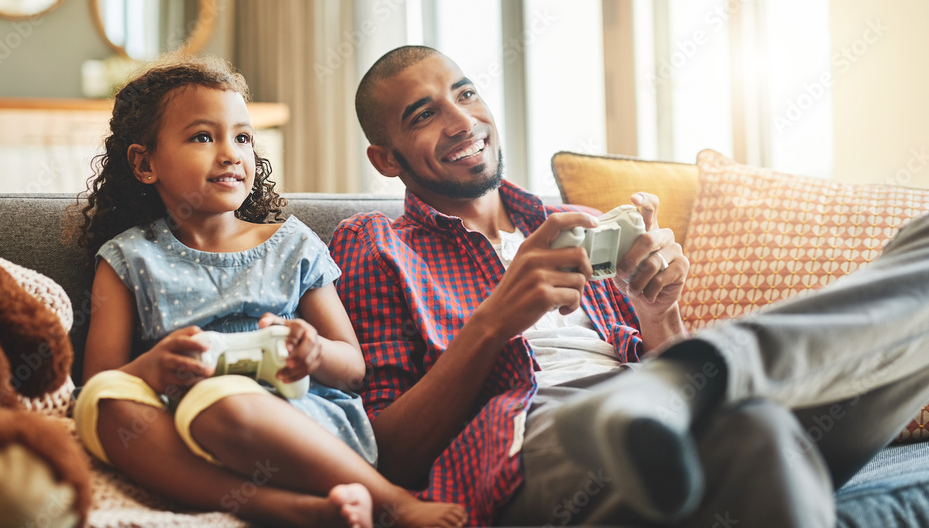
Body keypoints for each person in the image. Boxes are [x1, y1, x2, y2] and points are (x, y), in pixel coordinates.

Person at [329, 44, 929, 527]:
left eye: (465, 94)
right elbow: (389, 452)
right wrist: (493, 321)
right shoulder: (375, 243)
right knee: (755, 428)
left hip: (660, 410)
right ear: (386, 159)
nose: (462, 121)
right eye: (424, 114)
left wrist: (657, 310)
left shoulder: (572, 221)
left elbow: (659, 343)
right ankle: (715, 377)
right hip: (539, 430)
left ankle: (699, 377)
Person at [73, 55, 468, 528]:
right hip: (185, 436)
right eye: (203, 136)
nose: (230, 153)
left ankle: (390, 501)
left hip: (306, 426)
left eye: (242, 137)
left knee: (219, 400)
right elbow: (98, 382)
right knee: (104, 407)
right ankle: (295, 512)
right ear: (144, 163)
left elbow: (354, 370)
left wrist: (313, 351)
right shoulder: (128, 258)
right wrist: (151, 369)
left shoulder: (291, 244)